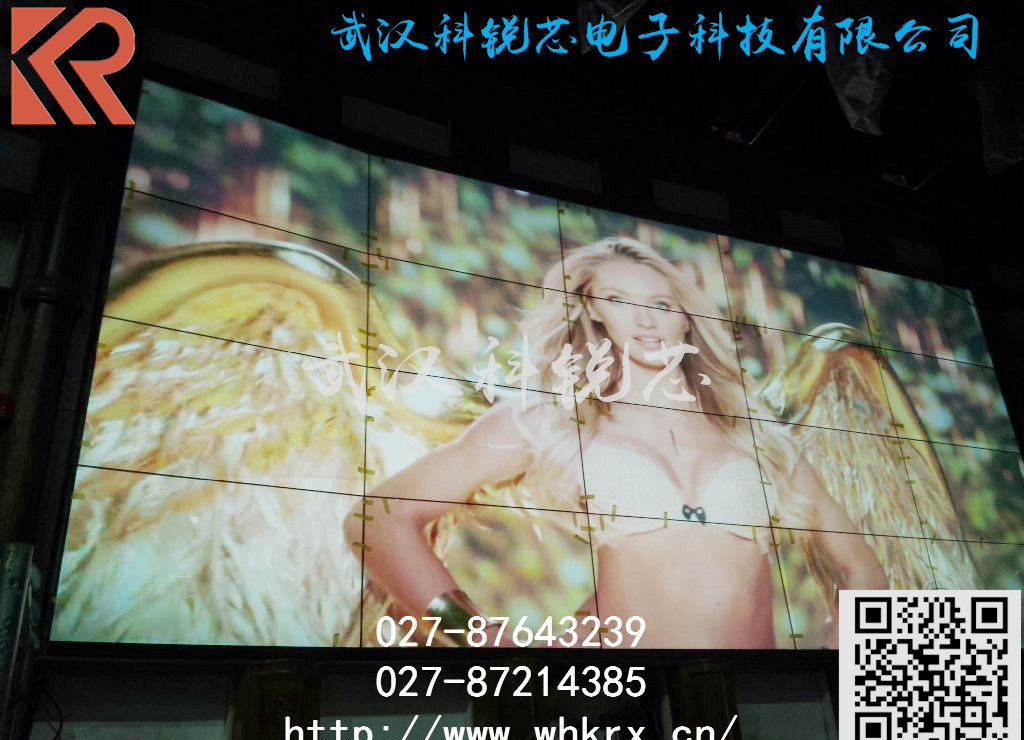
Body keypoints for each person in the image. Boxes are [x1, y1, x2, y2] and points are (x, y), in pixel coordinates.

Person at [345, 237, 888, 648]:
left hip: (751, 704)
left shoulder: (756, 435)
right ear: (592, 310)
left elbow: (862, 571)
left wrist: (830, 674)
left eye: (662, 304)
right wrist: (483, 641)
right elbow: (376, 520)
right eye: (619, 300)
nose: (646, 320)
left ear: (687, 318)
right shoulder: (552, 421)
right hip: (621, 705)